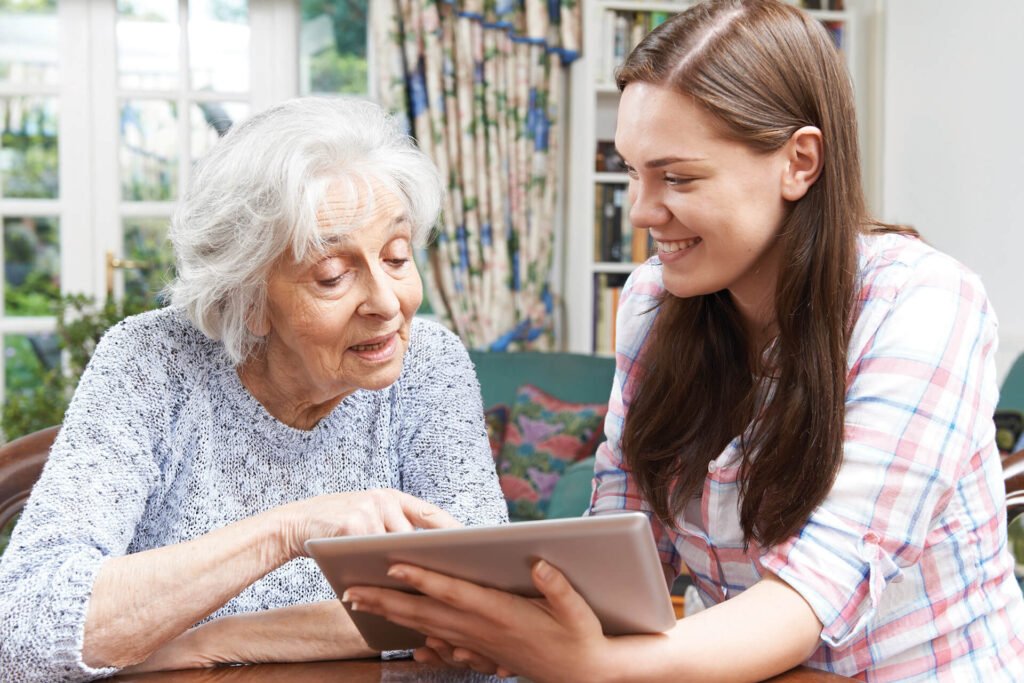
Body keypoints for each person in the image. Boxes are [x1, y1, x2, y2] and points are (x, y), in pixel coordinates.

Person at [341, 1, 1024, 680]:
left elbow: (813, 591)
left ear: (800, 161)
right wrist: (502, 623)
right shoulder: (653, 301)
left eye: (677, 177)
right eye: (634, 171)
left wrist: (592, 663)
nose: (640, 210)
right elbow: (618, 538)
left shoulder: (923, 305)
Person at [0, 97, 508, 680]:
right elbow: (23, 629)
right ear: (247, 303)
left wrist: (220, 637)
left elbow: (482, 605)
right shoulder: (150, 361)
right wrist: (288, 530)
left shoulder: (429, 362)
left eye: (396, 257)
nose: (389, 304)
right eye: (333, 276)